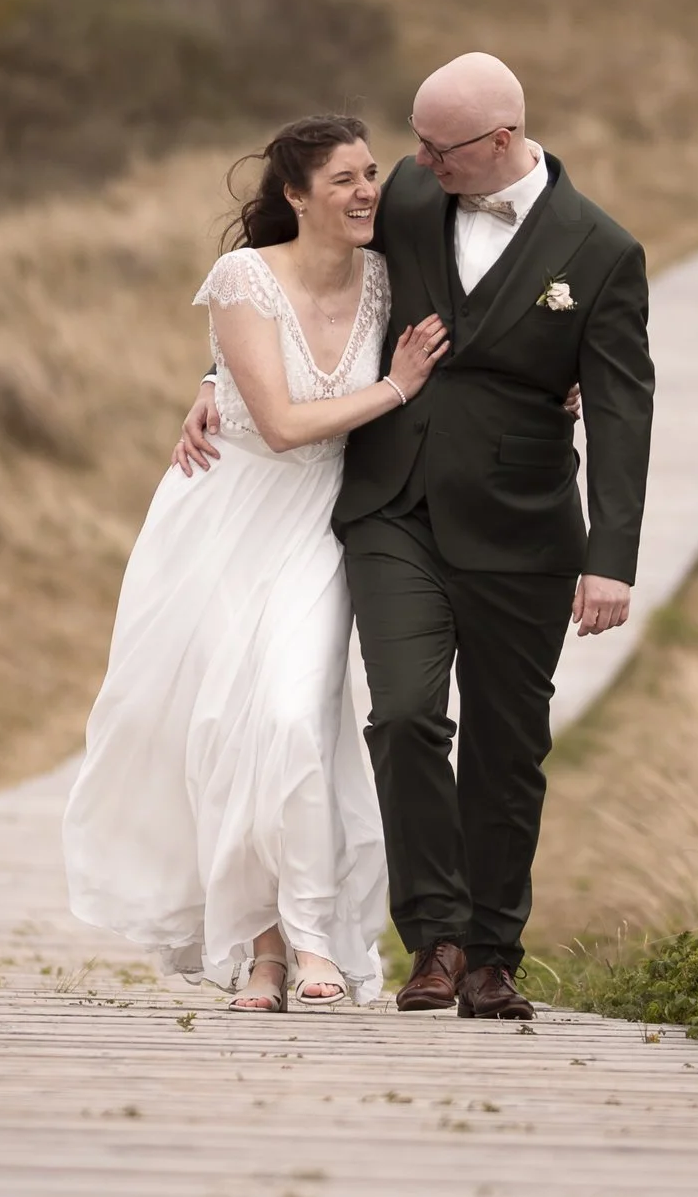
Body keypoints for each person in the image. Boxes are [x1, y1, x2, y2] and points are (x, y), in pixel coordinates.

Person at [178, 53, 654, 1020]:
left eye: (440, 147)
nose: (417, 162)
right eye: (417, 140)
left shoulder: (601, 251)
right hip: (392, 507)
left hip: (524, 528)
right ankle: (430, 939)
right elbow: (285, 257)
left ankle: (493, 954)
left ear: (504, 140)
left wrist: (613, 557)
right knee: (400, 716)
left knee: (507, 746)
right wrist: (213, 379)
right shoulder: (405, 192)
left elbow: (621, 408)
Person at [64, 114, 449, 1011]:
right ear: (295, 194)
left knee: (290, 717)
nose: (366, 192)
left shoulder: (389, 276)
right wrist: (392, 386)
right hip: (225, 516)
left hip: (324, 519)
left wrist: (563, 386)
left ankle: (317, 940)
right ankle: (262, 951)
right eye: (345, 179)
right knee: (225, 728)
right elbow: (275, 421)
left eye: (372, 174)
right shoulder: (243, 276)